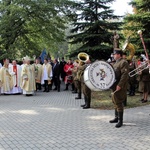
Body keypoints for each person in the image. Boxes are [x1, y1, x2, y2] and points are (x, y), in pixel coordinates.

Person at [110, 49, 129, 128]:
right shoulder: (116, 63)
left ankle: (120, 121)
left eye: (114, 54)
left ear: (118, 55)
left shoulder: (123, 62)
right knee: (114, 101)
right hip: (114, 85)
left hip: (119, 86)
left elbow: (124, 75)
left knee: (119, 102)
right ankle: (116, 117)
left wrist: (120, 85)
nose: (113, 56)